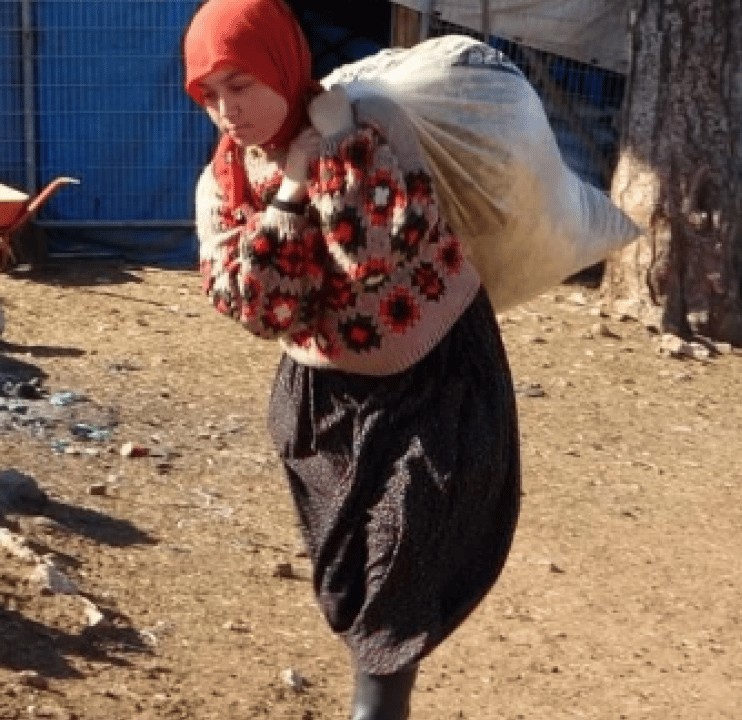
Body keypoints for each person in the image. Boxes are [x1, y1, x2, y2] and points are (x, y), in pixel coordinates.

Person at [183, 1, 521, 717]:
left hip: (437, 379)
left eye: (239, 84)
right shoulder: (224, 185)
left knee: (396, 581)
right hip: (320, 402)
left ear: (281, 63)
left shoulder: (371, 123)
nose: (227, 111)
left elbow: (375, 257)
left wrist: (340, 149)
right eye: (209, 95)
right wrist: (294, 191)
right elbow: (260, 309)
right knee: (348, 585)